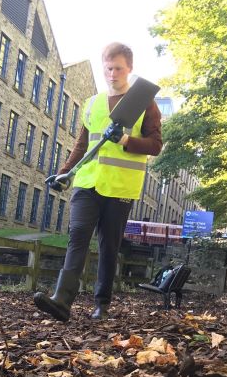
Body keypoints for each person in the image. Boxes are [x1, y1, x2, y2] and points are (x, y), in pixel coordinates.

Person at [34, 42, 163, 321]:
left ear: (129, 68)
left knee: (109, 245)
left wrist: (127, 140)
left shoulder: (144, 104)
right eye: (108, 67)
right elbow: (82, 144)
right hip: (87, 182)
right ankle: (62, 300)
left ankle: (102, 305)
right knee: (78, 235)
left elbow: (155, 145)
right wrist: (64, 173)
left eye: (118, 68)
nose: (112, 73)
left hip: (120, 186)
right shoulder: (92, 104)